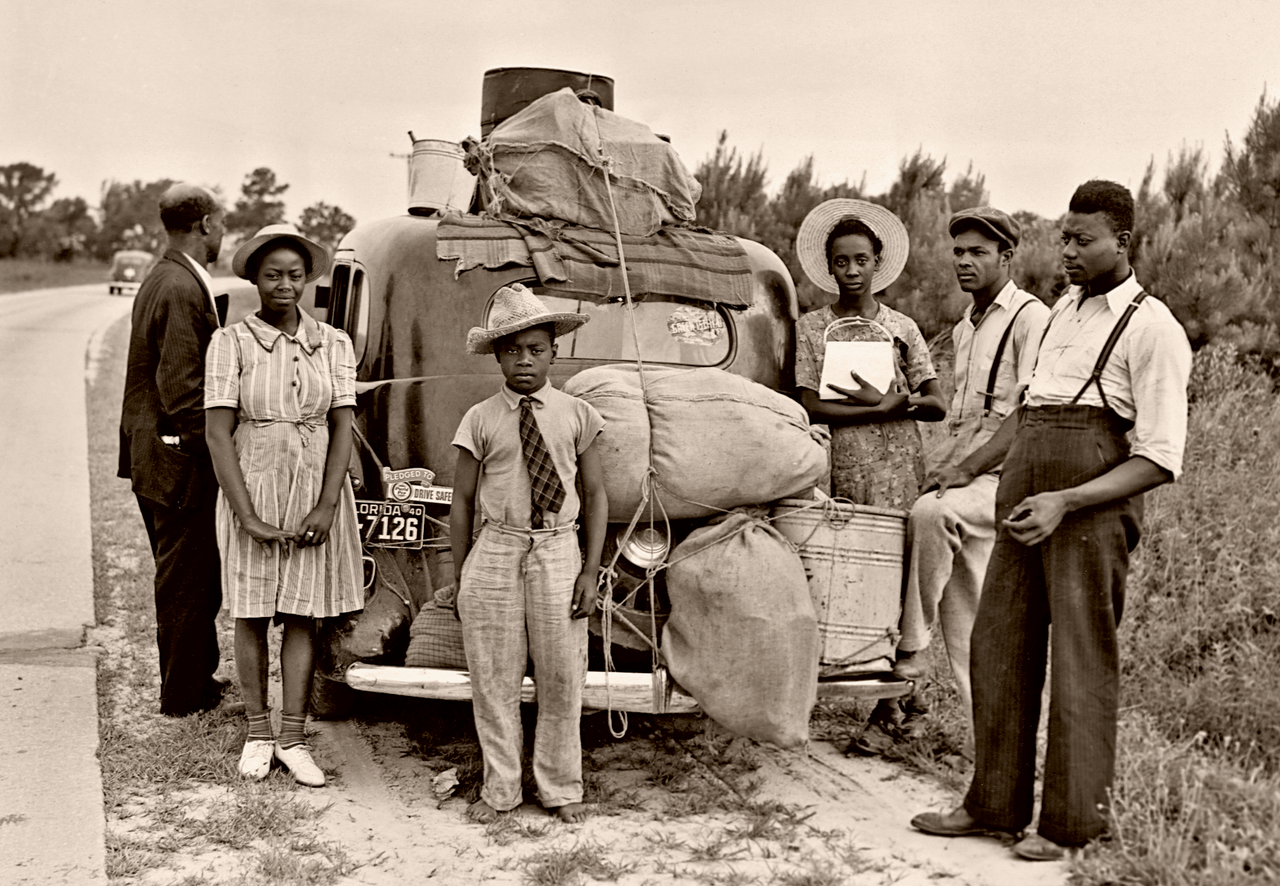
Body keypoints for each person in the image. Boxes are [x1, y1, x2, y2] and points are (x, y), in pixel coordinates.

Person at [911, 181, 1192, 861]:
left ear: (1122, 242)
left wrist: (1067, 500)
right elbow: (1029, 415)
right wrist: (969, 467)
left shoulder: (1154, 329)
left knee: (1079, 660)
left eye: (1082, 239)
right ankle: (993, 806)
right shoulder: (1063, 309)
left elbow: (1158, 458)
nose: (1065, 251)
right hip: (1023, 500)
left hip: (1088, 513)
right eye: (1063, 237)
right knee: (998, 648)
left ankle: (1071, 825)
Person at [204, 224, 364, 786]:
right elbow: (219, 433)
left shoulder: (334, 343)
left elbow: (342, 425)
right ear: (253, 278)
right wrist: (246, 513)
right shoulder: (231, 343)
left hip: (315, 487)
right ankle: (257, 732)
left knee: (302, 612)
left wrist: (325, 505)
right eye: (273, 275)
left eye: (295, 275)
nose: (285, 286)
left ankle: (293, 737)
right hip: (255, 481)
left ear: (308, 280)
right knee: (250, 612)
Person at [449, 283, 608, 825]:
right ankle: (501, 789)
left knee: (563, 674)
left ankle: (561, 787)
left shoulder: (578, 415)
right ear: (497, 355)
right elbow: (463, 501)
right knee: (493, 677)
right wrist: (462, 573)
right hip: (496, 549)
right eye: (513, 350)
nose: (524, 360)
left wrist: (590, 569)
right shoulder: (480, 418)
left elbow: (597, 496)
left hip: (559, 550)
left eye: (536, 349)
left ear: (553, 352)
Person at [896, 208, 1049, 749]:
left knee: (931, 515)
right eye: (958, 250)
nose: (964, 261)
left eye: (978, 252)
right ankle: (996, 747)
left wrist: (964, 468)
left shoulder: (1031, 318)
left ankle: (910, 648)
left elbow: (1027, 414)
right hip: (967, 468)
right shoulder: (967, 325)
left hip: (1005, 476)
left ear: (1007, 257)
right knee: (970, 619)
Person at [118, 183, 231, 717]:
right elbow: (184, 391)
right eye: (222, 222)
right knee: (187, 579)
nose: (224, 232)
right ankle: (184, 695)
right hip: (177, 462)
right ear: (205, 223)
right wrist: (218, 450)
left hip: (159, 456)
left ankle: (193, 681)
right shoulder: (181, 286)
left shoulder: (167, 275)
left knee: (190, 575)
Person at [793, 199, 947, 511]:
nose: (852, 271)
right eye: (841, 262)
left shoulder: (900, 326)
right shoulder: (811, 328)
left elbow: (936, 404)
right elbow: (810, 405)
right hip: (850, 462)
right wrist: (879, 409)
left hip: (903, 461)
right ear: (829, 266)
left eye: (861, 260)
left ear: (877, 262)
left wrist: (899, 403)